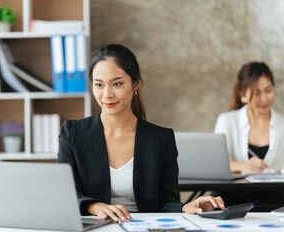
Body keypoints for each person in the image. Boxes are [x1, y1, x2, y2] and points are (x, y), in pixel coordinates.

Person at [57, 44, 225, 222]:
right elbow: (65, 194)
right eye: (99, 84)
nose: (107, 94)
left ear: (135, 84)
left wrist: (186, 207)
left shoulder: (160, 139)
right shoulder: (73, 133)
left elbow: (167, 201)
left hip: (145, 226)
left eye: (117, 84)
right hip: (95, 226)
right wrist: (96, 206)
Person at [214, 62, 284, 211]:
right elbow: (217, 165)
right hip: (235, 197)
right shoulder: (227, 121)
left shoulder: (282, 123)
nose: (264, 98)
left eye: (268, 90)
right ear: (243, 94)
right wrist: (244, 166)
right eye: (256, 93)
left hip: (276, 198)